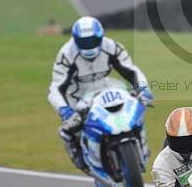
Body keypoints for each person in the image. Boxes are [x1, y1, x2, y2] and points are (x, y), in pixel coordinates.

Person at [48, 16, 153, 170]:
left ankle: (142, 147)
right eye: (84, 42)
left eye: (92, 40)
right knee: (72, 127)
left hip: (105, 87)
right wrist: (64, 110)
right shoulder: (66, 55)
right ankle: (76, 149)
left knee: (134, 107)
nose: (89, 45)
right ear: (76, 40)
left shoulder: (112, 47)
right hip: (77, 95)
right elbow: (55, 88)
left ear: (101, 36)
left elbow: (132, 70)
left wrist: (144, 89)